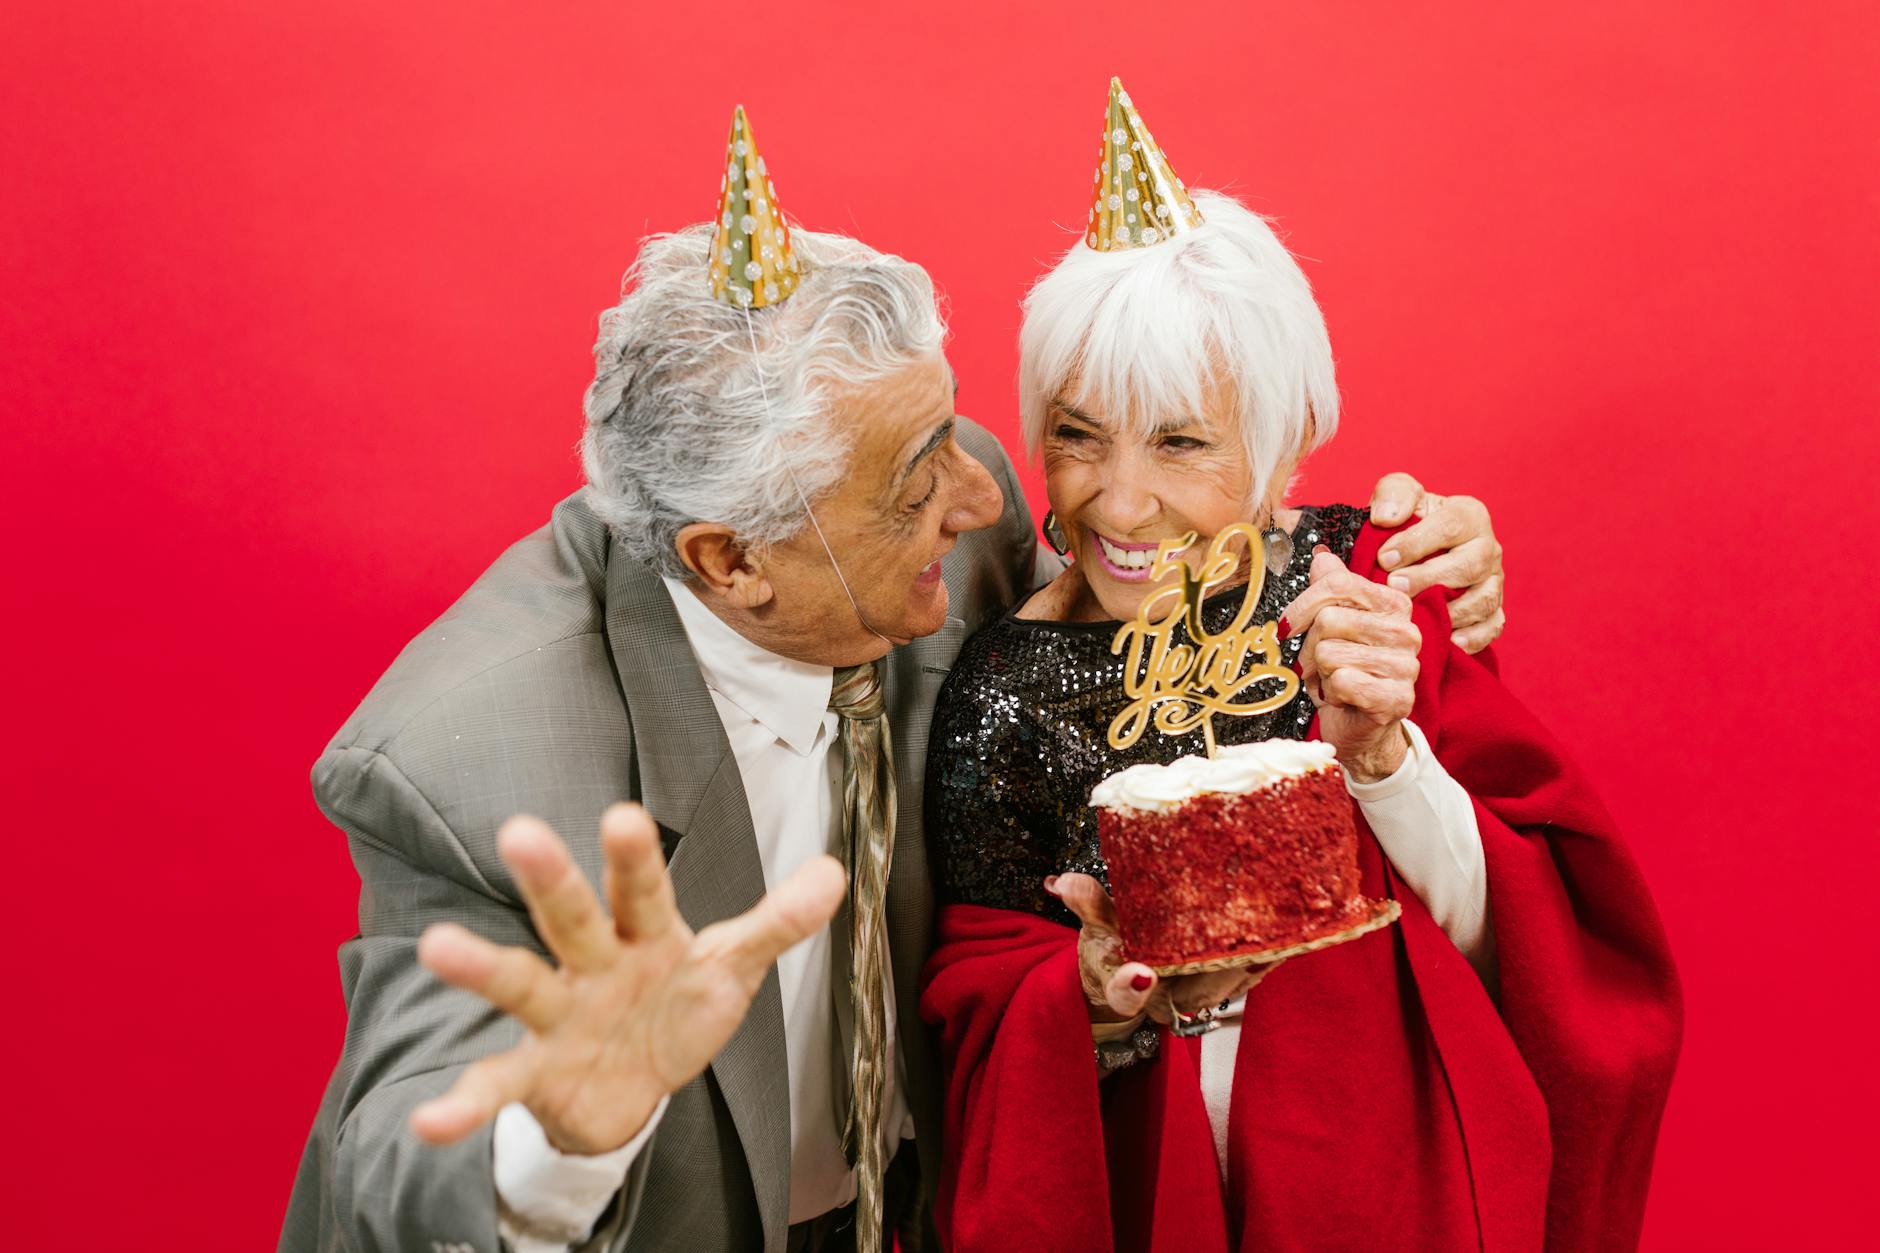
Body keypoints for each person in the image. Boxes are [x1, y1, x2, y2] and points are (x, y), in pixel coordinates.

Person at [280, 106, 1511, 1253]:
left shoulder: (939, 511)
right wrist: (556, 1135)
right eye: (915, 486)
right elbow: (395, 1155)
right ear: (732, 562)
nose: (986, 501)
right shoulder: (462, 759)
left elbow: (1145, 593)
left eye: (950, 439)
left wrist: (1395, 552)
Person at [920, 82, 1681, 1253]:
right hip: (1143, 1203)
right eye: (1076, 432)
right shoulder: (997, 684)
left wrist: (1382, 759)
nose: (1117, 498)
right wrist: (1089, 987)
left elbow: (1527, 940)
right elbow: (971, 1012)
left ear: (1281, 455)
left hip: (1393, 1192)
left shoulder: (1370, 581)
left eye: (1178, 439)